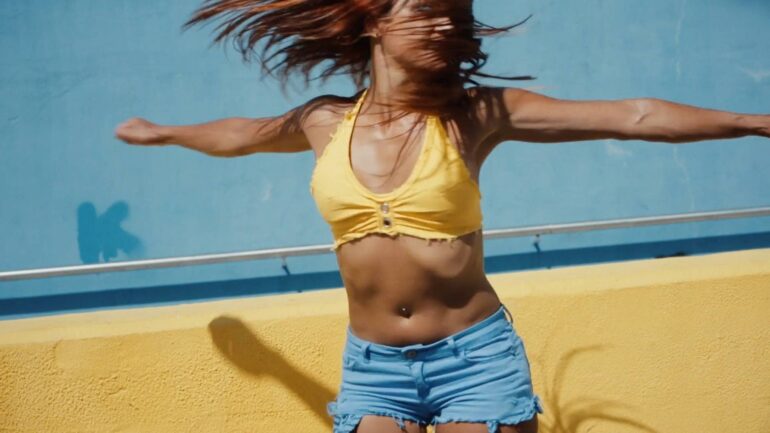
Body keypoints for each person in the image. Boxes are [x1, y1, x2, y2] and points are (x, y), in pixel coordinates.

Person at [114, 1, 769, 432]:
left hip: (474, 356)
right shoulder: (323, 122)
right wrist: (163, 132)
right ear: (374, 21)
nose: (442, 28)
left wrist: (751, 121)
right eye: (426, 13)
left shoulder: (475, 113)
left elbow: (634, 115)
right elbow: (241, 133)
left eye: (451, 19)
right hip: (372, 366)